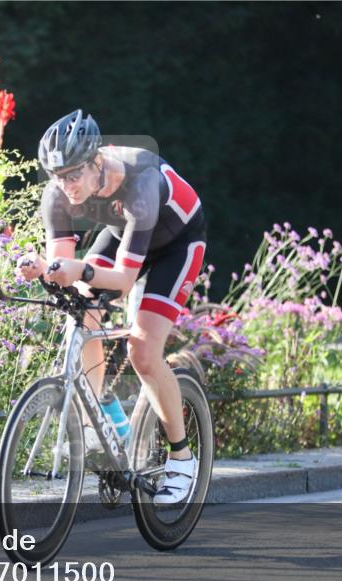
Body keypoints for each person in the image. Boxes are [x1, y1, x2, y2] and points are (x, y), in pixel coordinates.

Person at [16, 109, 207, 505]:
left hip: (177, 243)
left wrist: (79, 269)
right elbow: (60, 263)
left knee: (143, 350)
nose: (65, 186)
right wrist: (43, 269)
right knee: (80, 313)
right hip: (124, 234)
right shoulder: (58, 194)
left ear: (96, 162)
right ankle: (98, 420)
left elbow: (120, 280)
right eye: (57, 177)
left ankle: (182, 459)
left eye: (73, 175)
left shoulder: (142, 182)